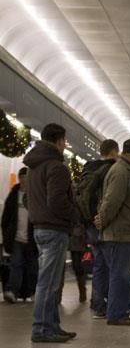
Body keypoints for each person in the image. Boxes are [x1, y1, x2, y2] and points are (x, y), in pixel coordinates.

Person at [24, 123, 78, 343]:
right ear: (58, 141)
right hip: (54, 229)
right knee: (48, 282)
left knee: (50, 281)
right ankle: (41, 329)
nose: (65, 145)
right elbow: (56, 200)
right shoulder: (56, 166)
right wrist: (74, 214)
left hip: (39, 228)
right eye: (64, 141)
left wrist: (39, 214)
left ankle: (53, 325)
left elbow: (27, 199)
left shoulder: (32, 166)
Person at [94, 138, 130, 326]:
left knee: (122, 274)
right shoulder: (121, 172)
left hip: (124, 232)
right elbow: (112, 201)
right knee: (119, 274)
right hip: (121, 233)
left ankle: (122, 311)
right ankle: (116, 314)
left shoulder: (124, 170)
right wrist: (103, 220)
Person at [82, 139, 119, 319]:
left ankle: (97, 305)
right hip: (105, 224)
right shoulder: (111, 169)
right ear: (114, 152)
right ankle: (114, 305)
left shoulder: (88, 168)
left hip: (90, 225)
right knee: (114, 266)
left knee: (99, 266)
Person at [1, 167, 38, 303]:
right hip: (16, 238)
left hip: (31, 238)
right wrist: (6, 236)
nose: (24, 180)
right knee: (16, 265)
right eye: (22, 177)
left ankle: (33, 292)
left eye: (27, 177)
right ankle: (12, 292)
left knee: (33, 267)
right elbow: (6, 218)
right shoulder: (13, 195)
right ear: (19, 178)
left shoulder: (35, 195)